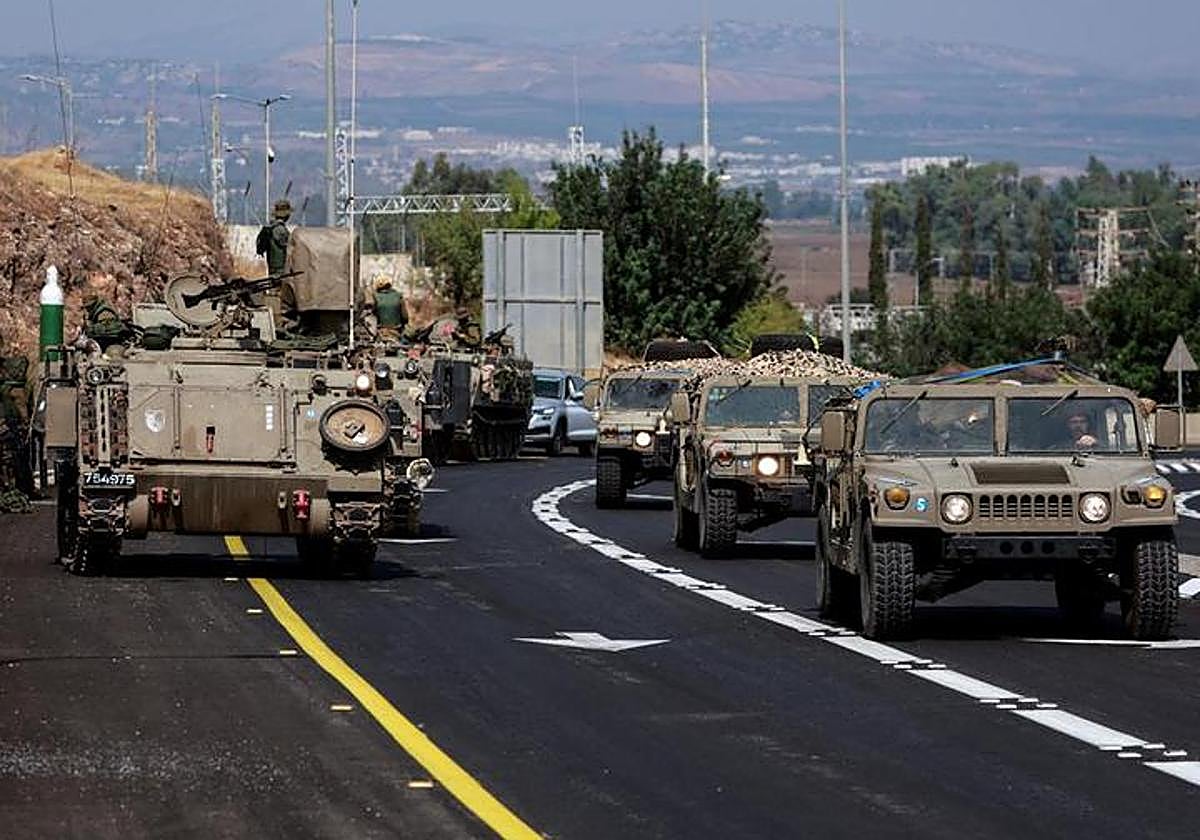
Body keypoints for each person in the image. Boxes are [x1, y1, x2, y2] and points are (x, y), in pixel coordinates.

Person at [256, 200, 292, 275]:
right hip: (281, 271)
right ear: (286, 216)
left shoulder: (270, 229)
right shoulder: (281, 230)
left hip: (272, 270)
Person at [368, 275, 406, 339]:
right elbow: (405, 317)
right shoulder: (398, 296)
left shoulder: (375, 296)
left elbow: (372, 315)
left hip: (381, 332)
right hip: (396, 331)